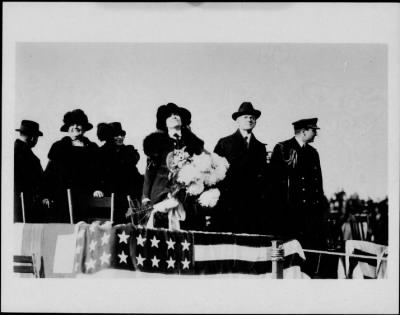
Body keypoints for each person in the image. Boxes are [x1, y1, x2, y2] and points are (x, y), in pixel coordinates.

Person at [269, 117, 327, 277]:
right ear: (303, 132)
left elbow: (318, 187)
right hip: (291, 216)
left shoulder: (313, 153)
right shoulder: (283, 148)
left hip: (311, 217)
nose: (316, 134)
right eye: (314, 130)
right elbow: (274, 185)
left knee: (310, 258)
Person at [142, 103, 205, 230]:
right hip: (161, 196)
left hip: (186, 198)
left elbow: (202, 168)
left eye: (176, 114)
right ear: (164, 122)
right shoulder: (156, 142)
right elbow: (150, 171)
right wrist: (145, 197)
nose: (174, 116)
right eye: (169, 116)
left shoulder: (193, 144)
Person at [212, 102, 268, 234]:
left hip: (252, 205)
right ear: (237, 121)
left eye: (252, 118)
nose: (249, 120)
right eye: (245, 117)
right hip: (229, 203)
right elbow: (214, 172)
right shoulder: (225, 143)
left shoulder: (260, 147)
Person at [41, 109, 100, 223]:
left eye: (79, 124)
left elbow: (99, 173)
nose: (75, 127)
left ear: (84, 128)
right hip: (61, 198)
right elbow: (49, 174)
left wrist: (97, 188)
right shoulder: (58, 147)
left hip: (85, 198)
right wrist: (45, 195)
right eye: (71, 125)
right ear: (67, 129)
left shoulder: (93, 149)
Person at [93, 122, 143, 223]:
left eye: (122, 135)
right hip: (108, 196)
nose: (120, 137)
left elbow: (134, 175)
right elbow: (96, 174)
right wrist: (97, 188)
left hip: (127, 196)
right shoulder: (101, 153)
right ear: (109, 136)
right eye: (116, 135)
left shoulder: (128, 151)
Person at [14, 120, 44, 222]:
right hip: (26, 205)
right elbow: (39, 182)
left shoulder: (9, 151)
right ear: (33, 138)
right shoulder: (31, 158)